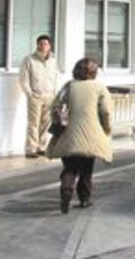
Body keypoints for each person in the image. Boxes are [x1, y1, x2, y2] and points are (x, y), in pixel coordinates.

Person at [46, 58, 113, 214]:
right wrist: (106, 129)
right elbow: (106, 112)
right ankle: (84, 199)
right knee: (86, 170)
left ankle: (66, 191)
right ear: (94, 72)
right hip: (91, 135)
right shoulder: (99, 88)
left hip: (68, 135)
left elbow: (55, 107)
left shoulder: (68, 87)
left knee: (70, 168)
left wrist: (58, 122)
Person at [18, 34, 59, 158]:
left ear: (50, 46)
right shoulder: (29, 60)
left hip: (49, 96)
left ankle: (41, 147)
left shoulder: (53, 60)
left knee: (46, 123)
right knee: (33, 124)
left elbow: (56, 77)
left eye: (45, 44)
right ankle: (31, 149)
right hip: (35, 96)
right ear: (37, 45)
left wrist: (55, 93)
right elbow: (23, 78)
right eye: (40, 43)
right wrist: (29, 93)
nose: (43, 46)